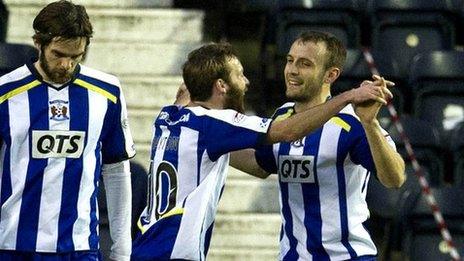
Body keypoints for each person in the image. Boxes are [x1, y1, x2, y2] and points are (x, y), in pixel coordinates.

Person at [131, 42, 392, 260]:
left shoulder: (169, 116)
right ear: (221, 85)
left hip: (146, 244)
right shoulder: (214, 124)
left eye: (303, 63)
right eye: (239, 75)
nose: (246, 82)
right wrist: (347, 97)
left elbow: (257, 165)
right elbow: (289, 131)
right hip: (174, 251)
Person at [230, 31, 406, 260]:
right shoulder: (282, 116)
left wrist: (370, 124)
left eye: (305, 64)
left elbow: (395, 178)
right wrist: (208, 144)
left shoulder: (351, 122)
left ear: (330, 75)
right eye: (290, 60)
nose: (292, 70)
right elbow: (262, 164)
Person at [0, 1, 135, 260]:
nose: (66, 64)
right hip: (14, 246)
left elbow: (117, 171)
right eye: (58, 54)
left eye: (75, 56)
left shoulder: (107, 92)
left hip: (80, 248)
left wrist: (121, 250)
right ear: (38, 43)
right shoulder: (6, 92)